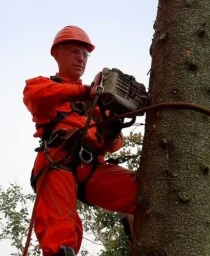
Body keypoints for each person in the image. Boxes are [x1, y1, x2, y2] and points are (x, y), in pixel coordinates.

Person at [23, 25, 137, 256]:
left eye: (85, 54)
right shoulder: (44, 85)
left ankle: (145, 237)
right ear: (57, 53)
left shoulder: (95, 102)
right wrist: (86, 92)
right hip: (58, 162)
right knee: (62, 233)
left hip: (92, 167)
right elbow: (36, 97)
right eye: (75, 51)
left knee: (147, 190)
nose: (81, 58)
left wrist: (112, 127)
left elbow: (113, 145)